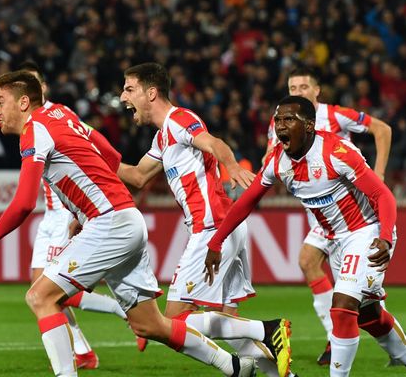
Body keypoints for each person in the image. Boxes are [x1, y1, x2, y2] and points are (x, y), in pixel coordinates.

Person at [0, 70, 257, 377]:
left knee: (40, 297)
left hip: (110, 223)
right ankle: (235, 366)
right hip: (126, 219)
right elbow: (98, 144)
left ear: (23, 102)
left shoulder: (34, 130)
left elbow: (24, 202)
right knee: (149, 324)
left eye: (0, 101)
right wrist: (97, 189)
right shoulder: (60, 112)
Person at [206, 95, 406, 377]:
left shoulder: (336, 152)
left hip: (367, 232)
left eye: (288, 119)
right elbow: (247, 201)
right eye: (277, 120)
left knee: (342, 304)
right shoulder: (278, 160)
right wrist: (216, 240)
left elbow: (383, 194)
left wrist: (385, 236)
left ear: (308, 126)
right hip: (335, 240)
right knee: (369, 316)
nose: (280, 126)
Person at [0, 59, 128, 368]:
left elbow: (103, 150)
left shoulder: (54, 117)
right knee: (43, 290)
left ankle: (113, 317)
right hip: (52, 216)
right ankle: (83, 350)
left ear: (34, 93)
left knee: (47, 291)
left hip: (70, 214)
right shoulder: (37, 121)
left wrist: (116, 183)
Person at [117, 62, 292, 377]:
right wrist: (90, 154)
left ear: (151, 92)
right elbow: (137, 176)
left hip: (211, 229)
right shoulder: (162, 138)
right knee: (222, 320)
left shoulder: (179, 119)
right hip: (225, 228)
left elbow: (213, 143)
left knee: (173, 322)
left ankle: (267, 329)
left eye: (130, 89)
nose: (122, 97)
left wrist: (233, 165)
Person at [262, 66, 392, 365]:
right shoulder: (281, 121)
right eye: (293, 87)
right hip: (321, 213)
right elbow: (271, 158)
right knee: (315, 268)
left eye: (304, 87)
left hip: (350, 212)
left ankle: (342, 340)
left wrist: (379, 173)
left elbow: (382, 129)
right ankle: (348, 338)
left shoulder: (336, 115)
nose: (298, 92)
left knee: (352, 295)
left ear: (316, 90)